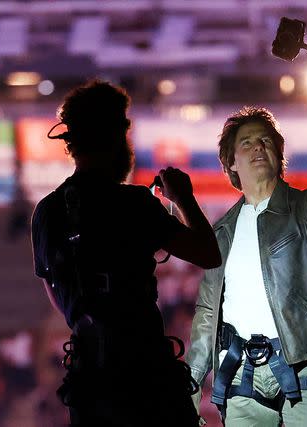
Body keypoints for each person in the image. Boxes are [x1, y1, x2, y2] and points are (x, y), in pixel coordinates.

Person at [31, 80, 221, 427]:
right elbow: (208, 254)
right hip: (147, 378)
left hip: (89, 382)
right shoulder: (134, 203)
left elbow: (52, 284)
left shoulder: (47, 211)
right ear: (114, 137)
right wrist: (182, 198)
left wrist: (87, 317)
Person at [186, 106, 307, 426]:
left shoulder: (306, 206)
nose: (258, 146)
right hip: (240, 374)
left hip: (305, 363)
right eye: (247, 142)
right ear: (231, 162)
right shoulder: (222, 231)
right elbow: (208, 312)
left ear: (279, 154)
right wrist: (193, 381)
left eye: (266, 140)